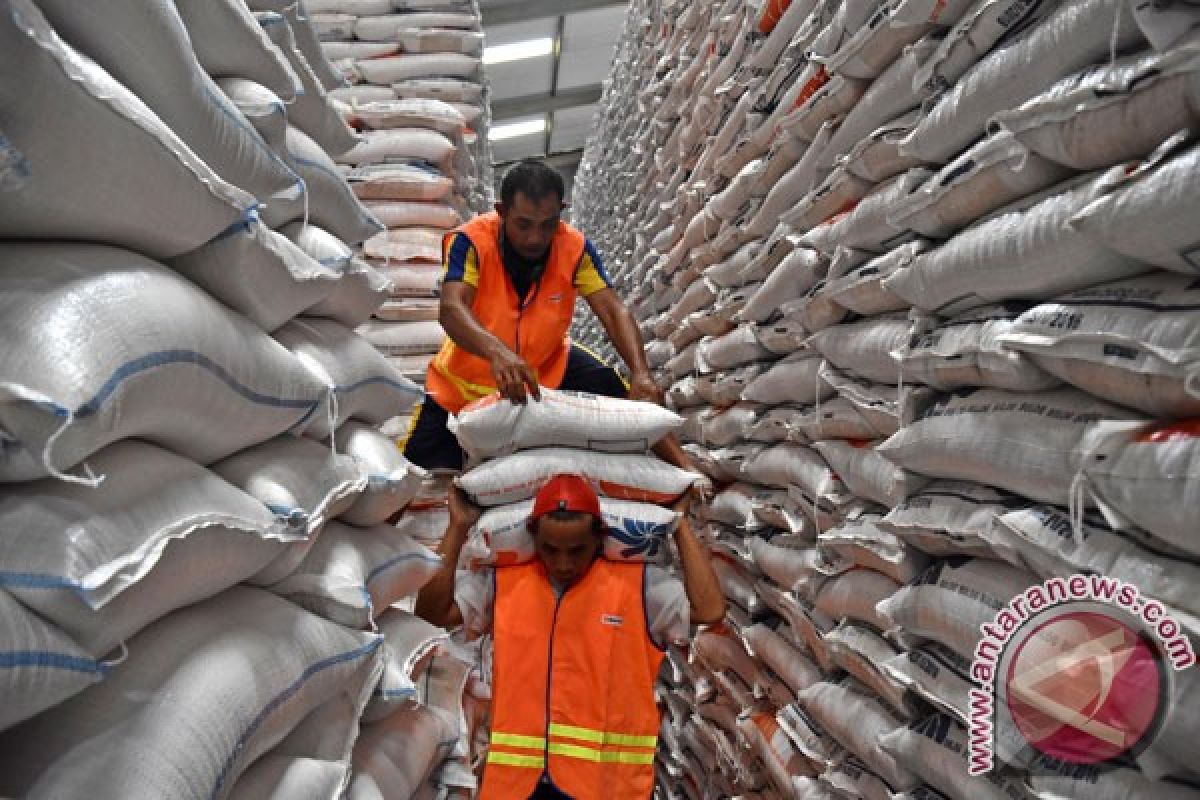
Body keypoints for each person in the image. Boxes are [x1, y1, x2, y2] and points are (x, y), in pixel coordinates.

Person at [415, 475, 726, 800]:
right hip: (518, 785)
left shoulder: (637, 586)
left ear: (599, 539)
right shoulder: (505, 582)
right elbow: (432, 613)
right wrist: (458, 527)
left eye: (577, 550)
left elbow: (710, 610)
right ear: (533, 537)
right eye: (550, 549)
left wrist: (680, 527)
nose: (563, 563)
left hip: (606, 787)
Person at [401, 158, 694, 473]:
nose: (535, 238)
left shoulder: (573, 247)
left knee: (624, 392)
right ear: (501, 212)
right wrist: (498, 353)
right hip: (464, 382)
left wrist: (641, 373)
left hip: (548, 367)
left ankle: (689, 473)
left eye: (547, 225)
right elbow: (452, 308)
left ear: (561, 211)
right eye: (523, 224)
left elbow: (612, 309)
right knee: (414, 470)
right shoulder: (470, 242)